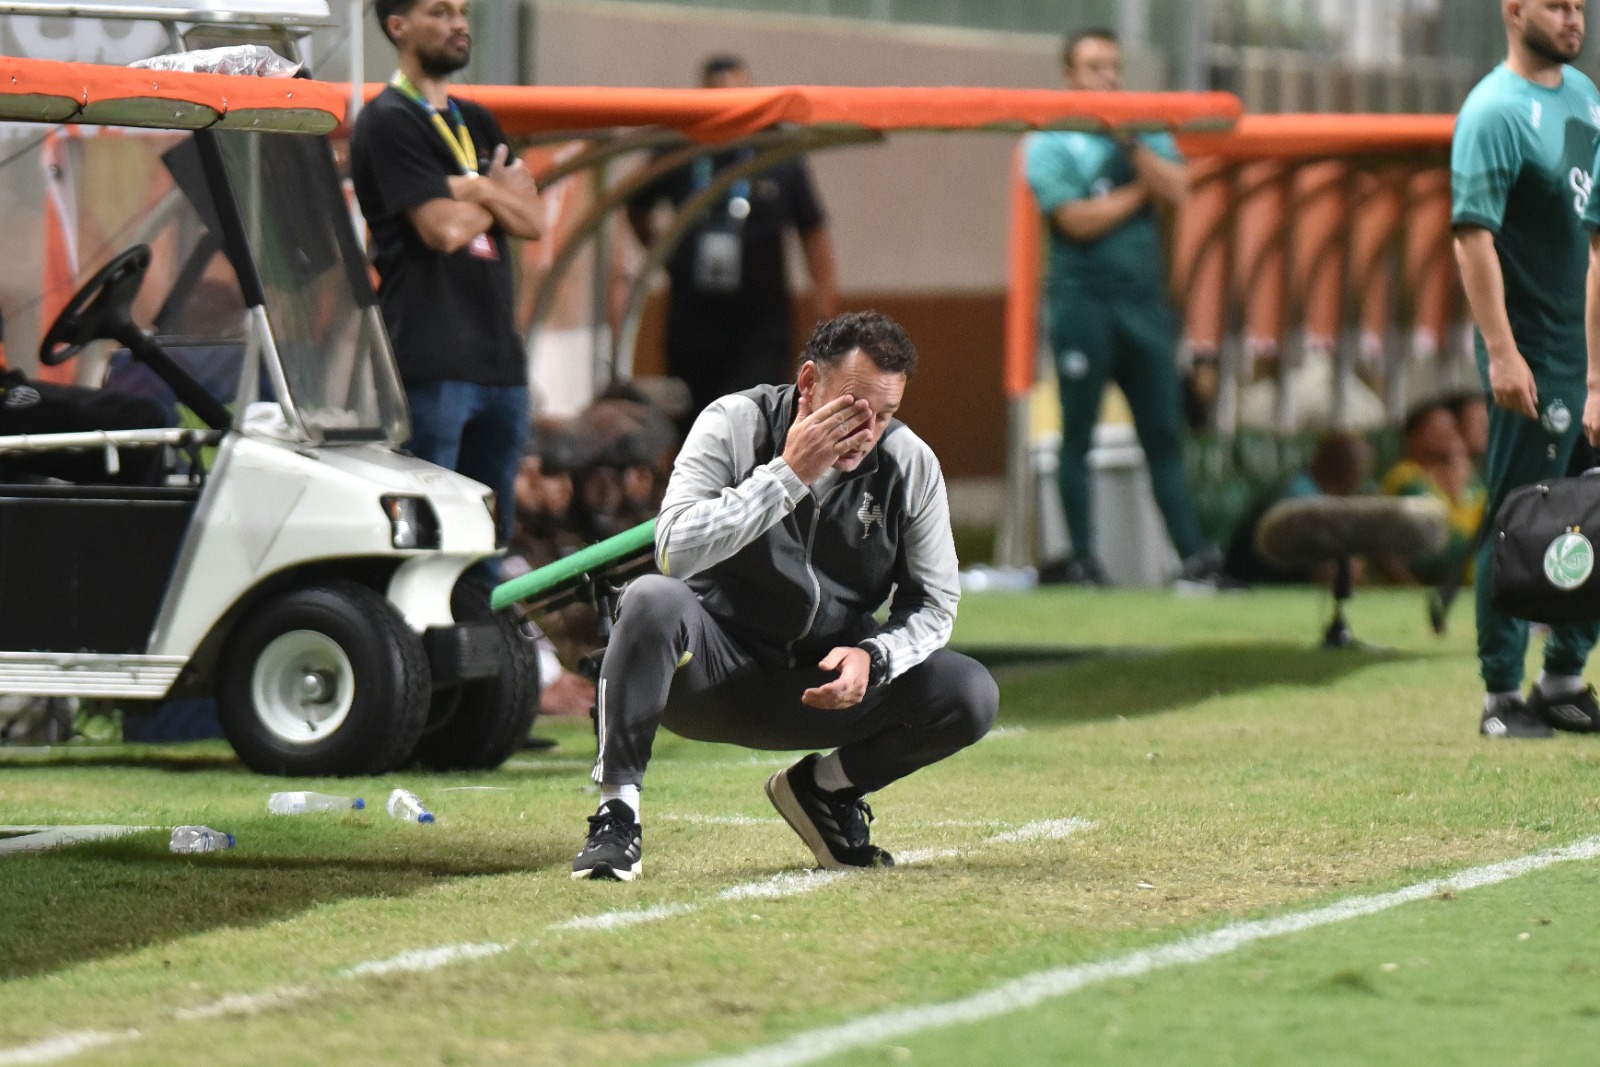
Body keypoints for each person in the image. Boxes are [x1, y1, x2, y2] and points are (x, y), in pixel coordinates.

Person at [571, 311, 997, 881]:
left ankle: (823, 792)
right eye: (853, 409)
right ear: (807, 384)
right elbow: (674, 549)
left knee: (969, 691)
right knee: (650, 597)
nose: (867, 431)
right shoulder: (734, 422)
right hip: (710, 675)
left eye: (887, 414)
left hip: (822, 687)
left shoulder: (910, 463)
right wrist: (788, 474)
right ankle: (616, 817)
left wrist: (875, 656)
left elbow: (935, 604)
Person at [1024, 28, 1223, 589]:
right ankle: (1082, 558)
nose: (1107, 76)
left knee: (1163, 430)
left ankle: (1192, 556)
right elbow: (1074, 219)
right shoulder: (1050, 141)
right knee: (1077, 432)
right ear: (1069, 75)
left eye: (1113, 66)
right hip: (1082, 305)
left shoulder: (1144, 129)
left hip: (1144, 307)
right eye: (1093, 67)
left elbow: (1180, 188)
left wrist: (1133, 148)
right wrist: (1140, 193)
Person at [1454, 0, 1600, 739]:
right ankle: (1500, 693)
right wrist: (1503, 351)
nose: (1574, 19)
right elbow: (1471, 238)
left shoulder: (1585, 98)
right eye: (1557, 6)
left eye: (1580, 6)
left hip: (1590, 355)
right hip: (1535, 354)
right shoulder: (1493, 112)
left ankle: (1565, 675)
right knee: (1517, 517)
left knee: (1594, 513)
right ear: (1514, 12)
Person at [350, 0, 544, 553]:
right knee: (433, 534)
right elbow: (442, 231)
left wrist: (475, 190)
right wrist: (493, 189)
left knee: (492, 536)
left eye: (462, 11)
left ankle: (485, 637)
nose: (459, 23)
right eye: (440, 12)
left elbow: (532, 219)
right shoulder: (389, 120)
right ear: (398, 26)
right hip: (433, 363)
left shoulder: (476, 119)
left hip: (500, 364)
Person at [627, 54, 841, 441]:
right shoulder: (681, 148)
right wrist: (667, 256)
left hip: (761, 323)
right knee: (698, 429)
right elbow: (635, 203)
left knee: (754, 423)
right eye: (719, 98)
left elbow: (813, 231)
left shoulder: (777, 151)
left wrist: (824, 305)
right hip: (693, 322)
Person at [1221, 431, 1374, 587]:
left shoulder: (1303, 487)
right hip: (1250, 589)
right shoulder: (1301, 498)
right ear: (1350, 478)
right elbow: (1327, 572)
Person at [1378, 402, 1487, 587]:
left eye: (1451, 427)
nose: (1448, 434)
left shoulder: (1471, 479)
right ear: (1414, 437)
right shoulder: (1405, 476)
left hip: (1472, 578)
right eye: (1437, 427)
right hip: (1421, 579)